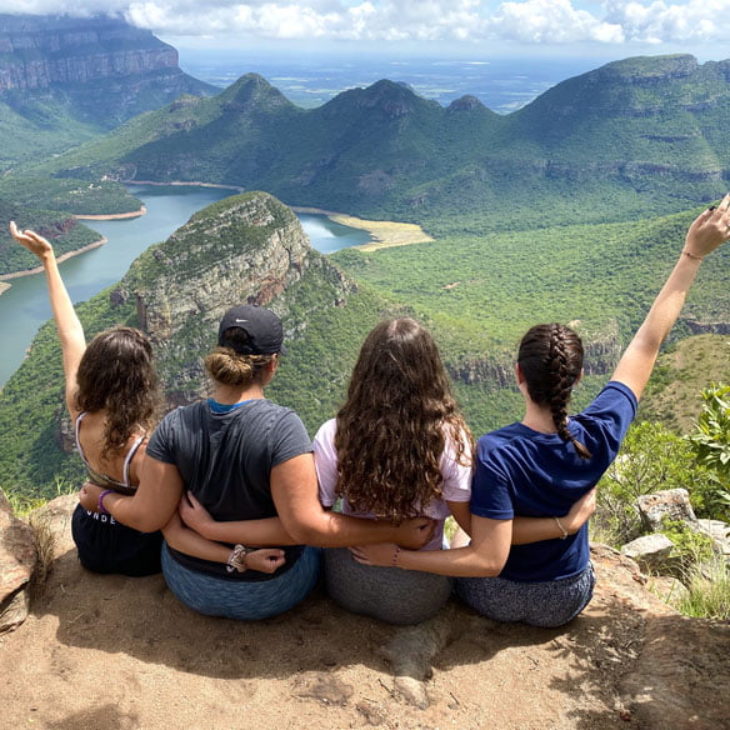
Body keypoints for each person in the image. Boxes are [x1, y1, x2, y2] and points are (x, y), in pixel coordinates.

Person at [351, 198, 730, 627]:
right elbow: (648, 343)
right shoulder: (602, 431)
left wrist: (399, 557)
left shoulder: (496, 452)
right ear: (581, 376)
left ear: (517, 374)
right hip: (567, 596)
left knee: (465, 528)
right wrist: (691, 256)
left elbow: (487, 555)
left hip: (495, 594)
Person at [178, 318, 595, 624]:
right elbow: (479, 537)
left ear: (364, 371)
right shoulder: (450, 439)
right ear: (432, 373)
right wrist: (563, 522)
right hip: (420, 594)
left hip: (347, 579)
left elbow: (313, 521)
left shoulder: (334, 434)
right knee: (458, 531)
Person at [80, 305, 437, 620]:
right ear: (273, 365)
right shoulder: (283, 429)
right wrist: (393, 531)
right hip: (269, 590)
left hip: (189, 585)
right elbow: (305, 528)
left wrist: (103, 499)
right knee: (318, 521)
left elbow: (150, 517)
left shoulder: (174, 425)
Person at [9, 221, 164, 576]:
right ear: (140, 384)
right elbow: (151, 512)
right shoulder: (142, 450)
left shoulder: (78, 406)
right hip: (133, 546)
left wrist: (48, 259)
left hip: (89, 534)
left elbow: (70, 333)